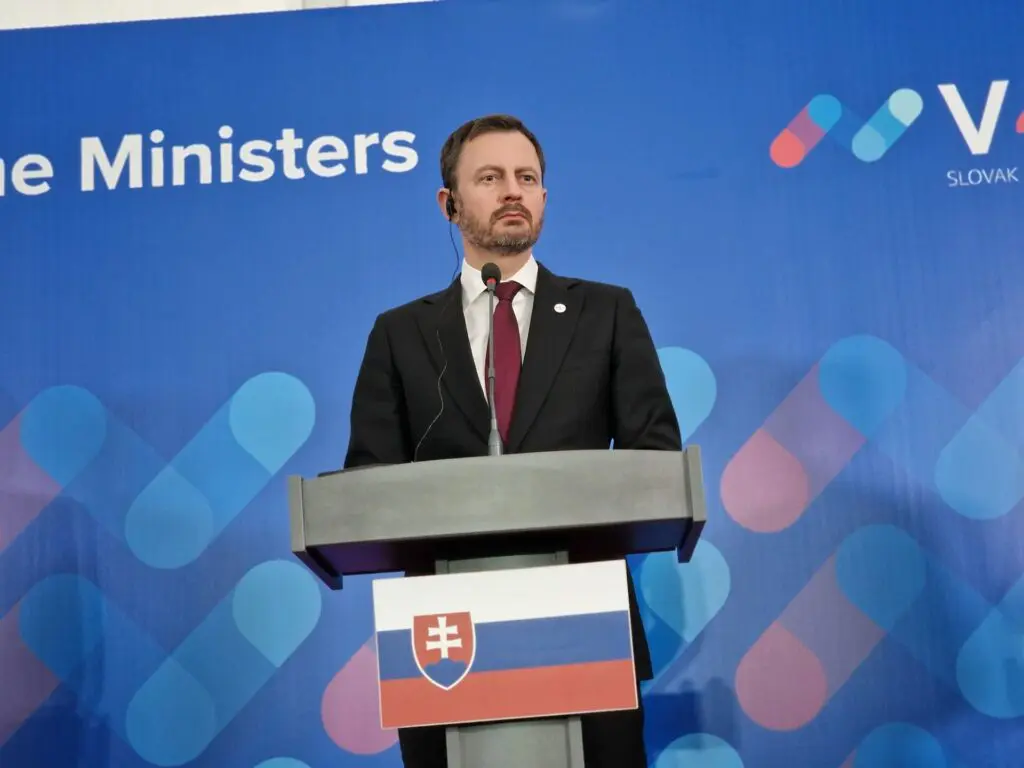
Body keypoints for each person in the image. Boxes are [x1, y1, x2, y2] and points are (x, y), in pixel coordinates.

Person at [344, 114, 682, 768]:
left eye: (527, 178)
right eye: (490, 177)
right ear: (448, 204)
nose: (512, 191)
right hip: (446, 643)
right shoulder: (400, 333)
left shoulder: (606, 312)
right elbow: (367, 486)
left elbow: (655, 459)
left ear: (544, 197)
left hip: (585, 629)